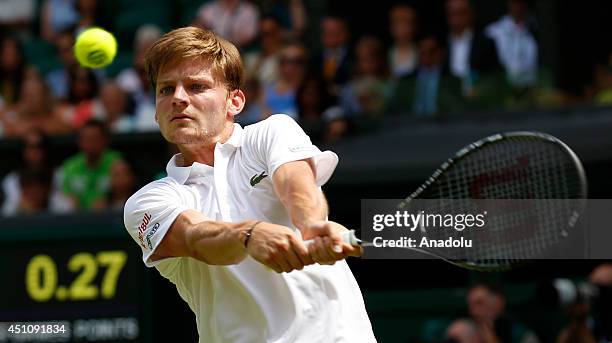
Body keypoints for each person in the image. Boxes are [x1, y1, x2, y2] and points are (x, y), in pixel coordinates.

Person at [123, 27, 375, 342]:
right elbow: (195, 237)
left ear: (235, 101)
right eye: (165, 89)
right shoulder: (147, 202)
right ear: (157, 112)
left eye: (196, 86)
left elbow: (296, 183)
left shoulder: (272, 132)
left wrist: (311, 226)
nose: (178, 98)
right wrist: (249, 235)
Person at [59, 119, 121, 210]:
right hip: (78, 218)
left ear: (105, 141)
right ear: (80, 142)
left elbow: (124, 194)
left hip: (111, 214)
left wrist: (108, 201)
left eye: (95, 139)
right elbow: (64, 195)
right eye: (87, 139)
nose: (91, 144)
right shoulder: (70, 166)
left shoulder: (117, 163)